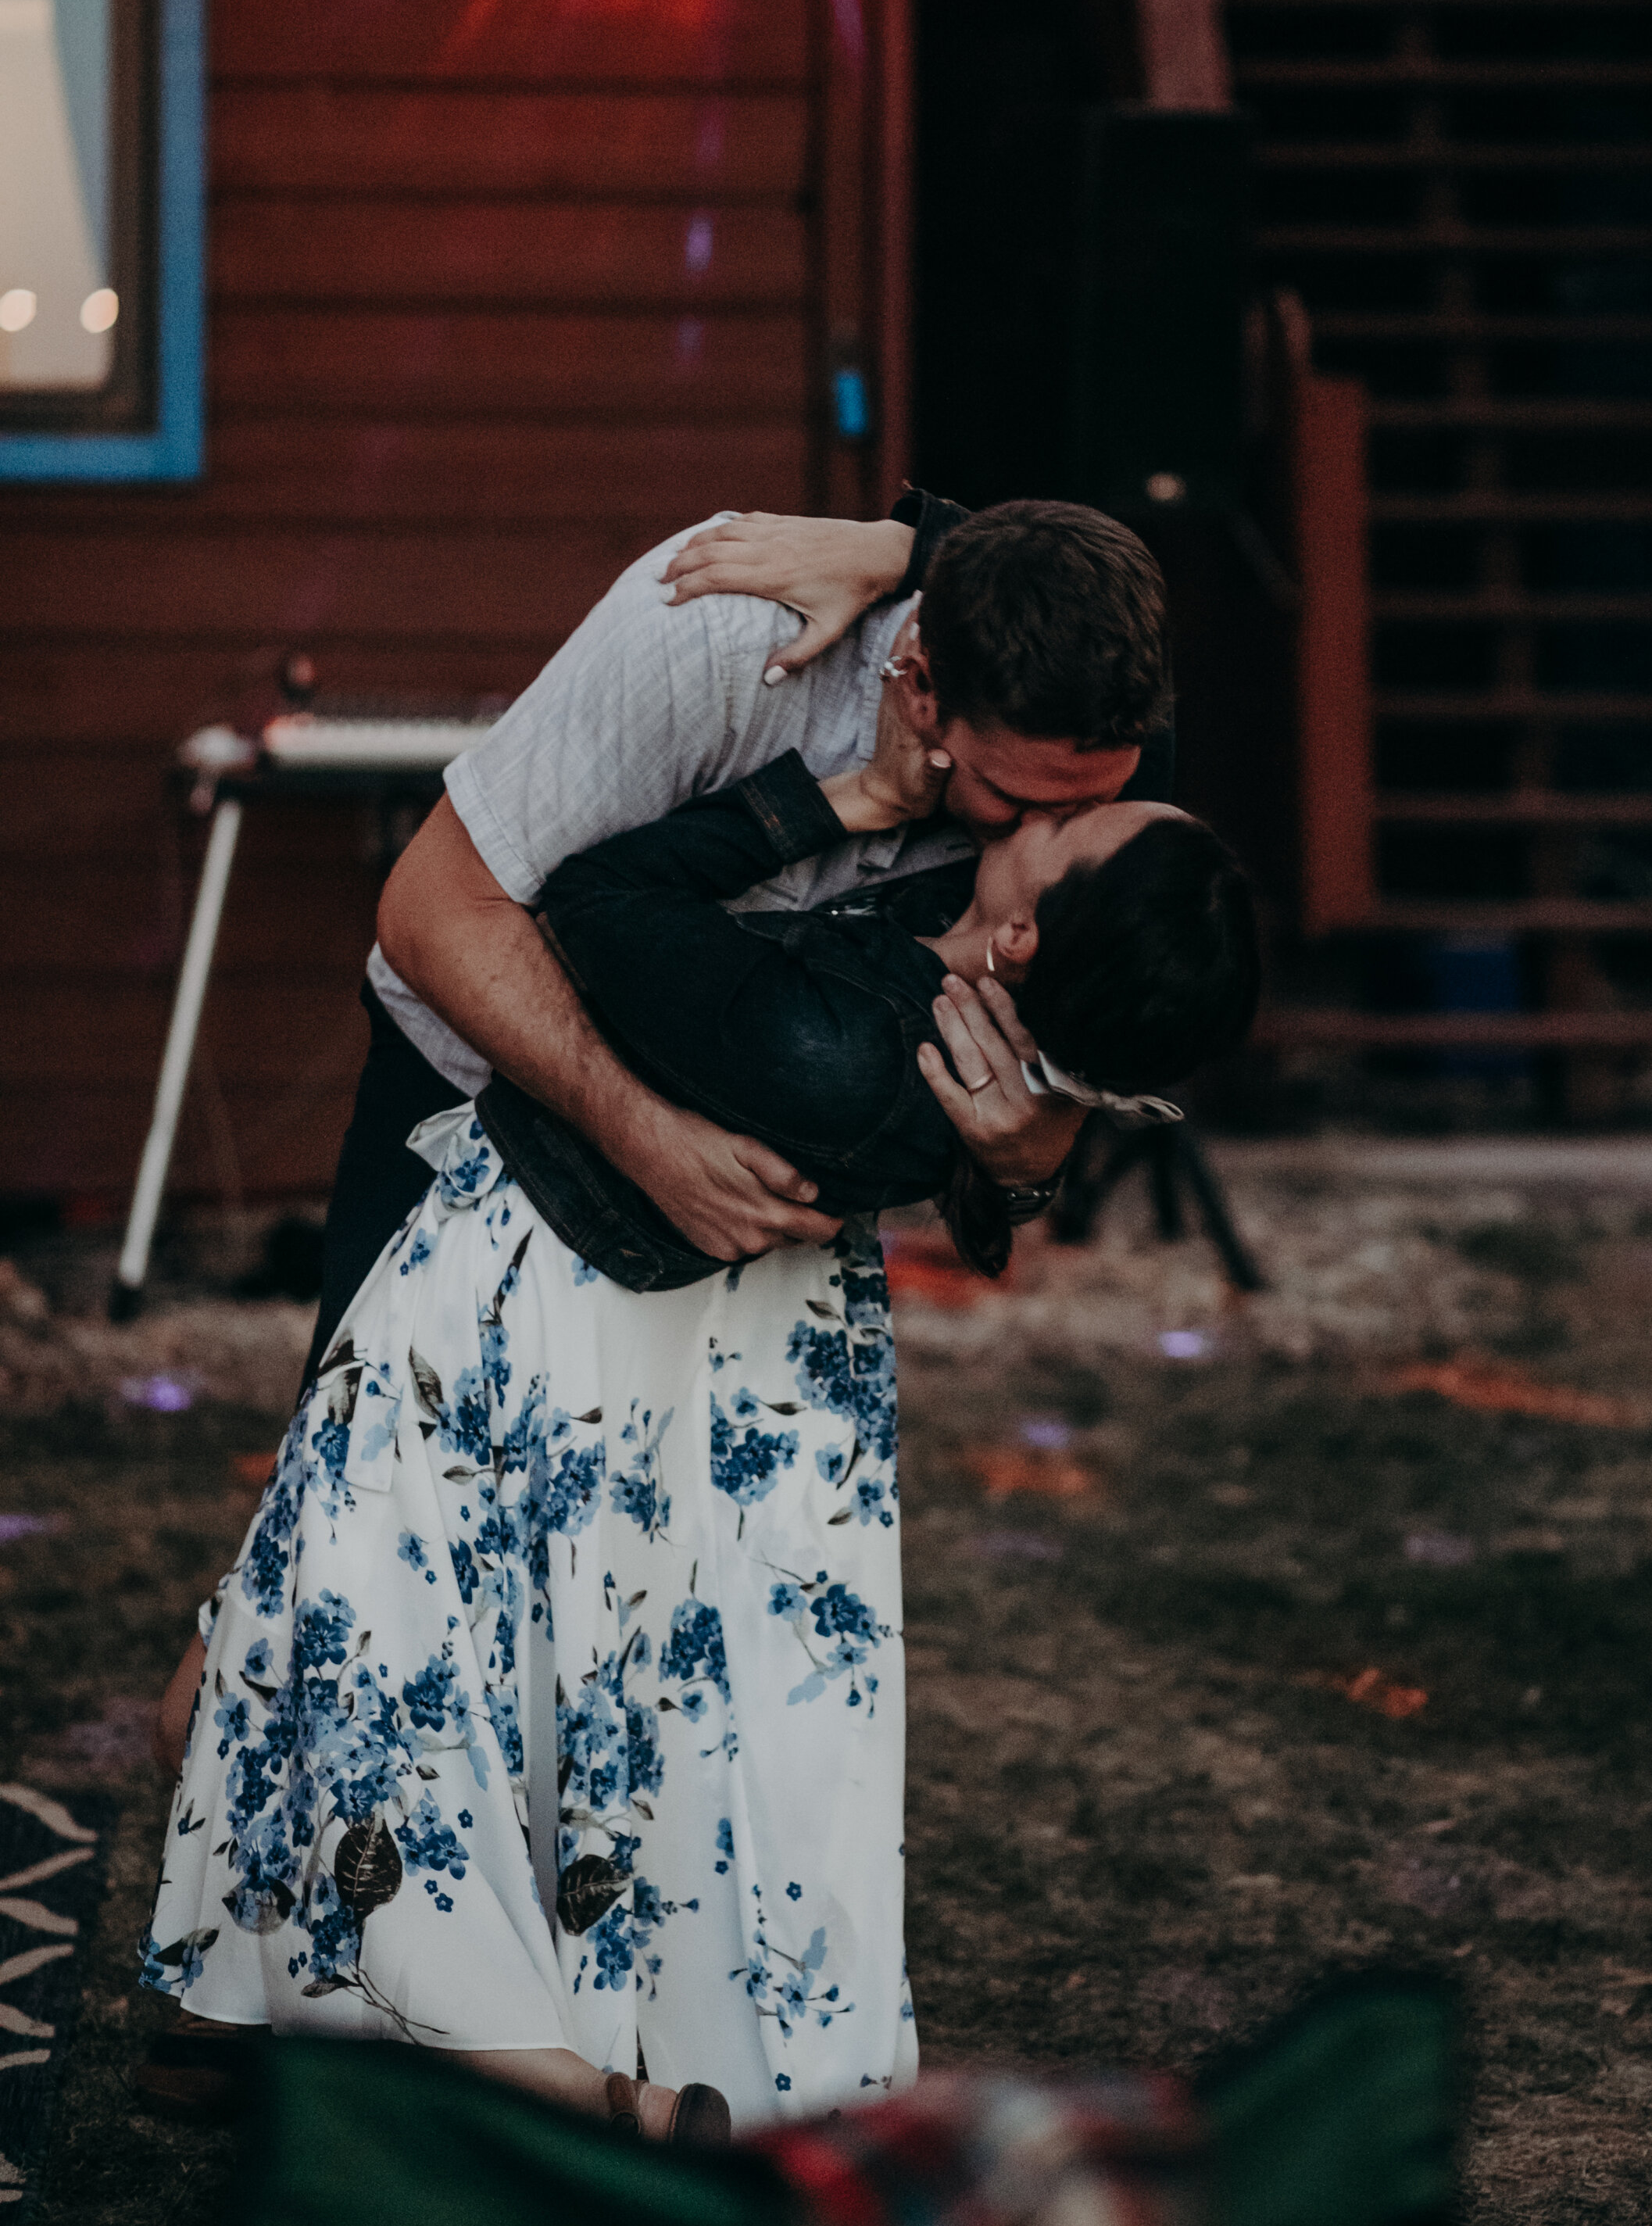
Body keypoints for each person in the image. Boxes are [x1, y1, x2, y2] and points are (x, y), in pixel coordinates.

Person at [141, 667, 1260, 2142]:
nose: (1080, 799)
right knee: (384, 1706)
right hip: (631, 1342)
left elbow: (598, 915)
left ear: (1028, 927)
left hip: (539, 1327)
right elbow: (1104, 681)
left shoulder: (841, 1033)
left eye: (1075, 829)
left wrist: (835, 801)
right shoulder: (978, 994)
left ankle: (539, 2091)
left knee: (314, 1704)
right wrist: (892, 541)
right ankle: (319, 2034)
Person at [305, 496, 1178, 1387]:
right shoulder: (715, 638)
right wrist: (644, 1135)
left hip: (762, 1241)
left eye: (1085, 809)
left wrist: (1032, 1159)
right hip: (480, 1116)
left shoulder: (1089, 766)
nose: (1047, 837)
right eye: (1015, 801)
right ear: (919, 686)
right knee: (383, 1493)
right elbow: (432, 910)